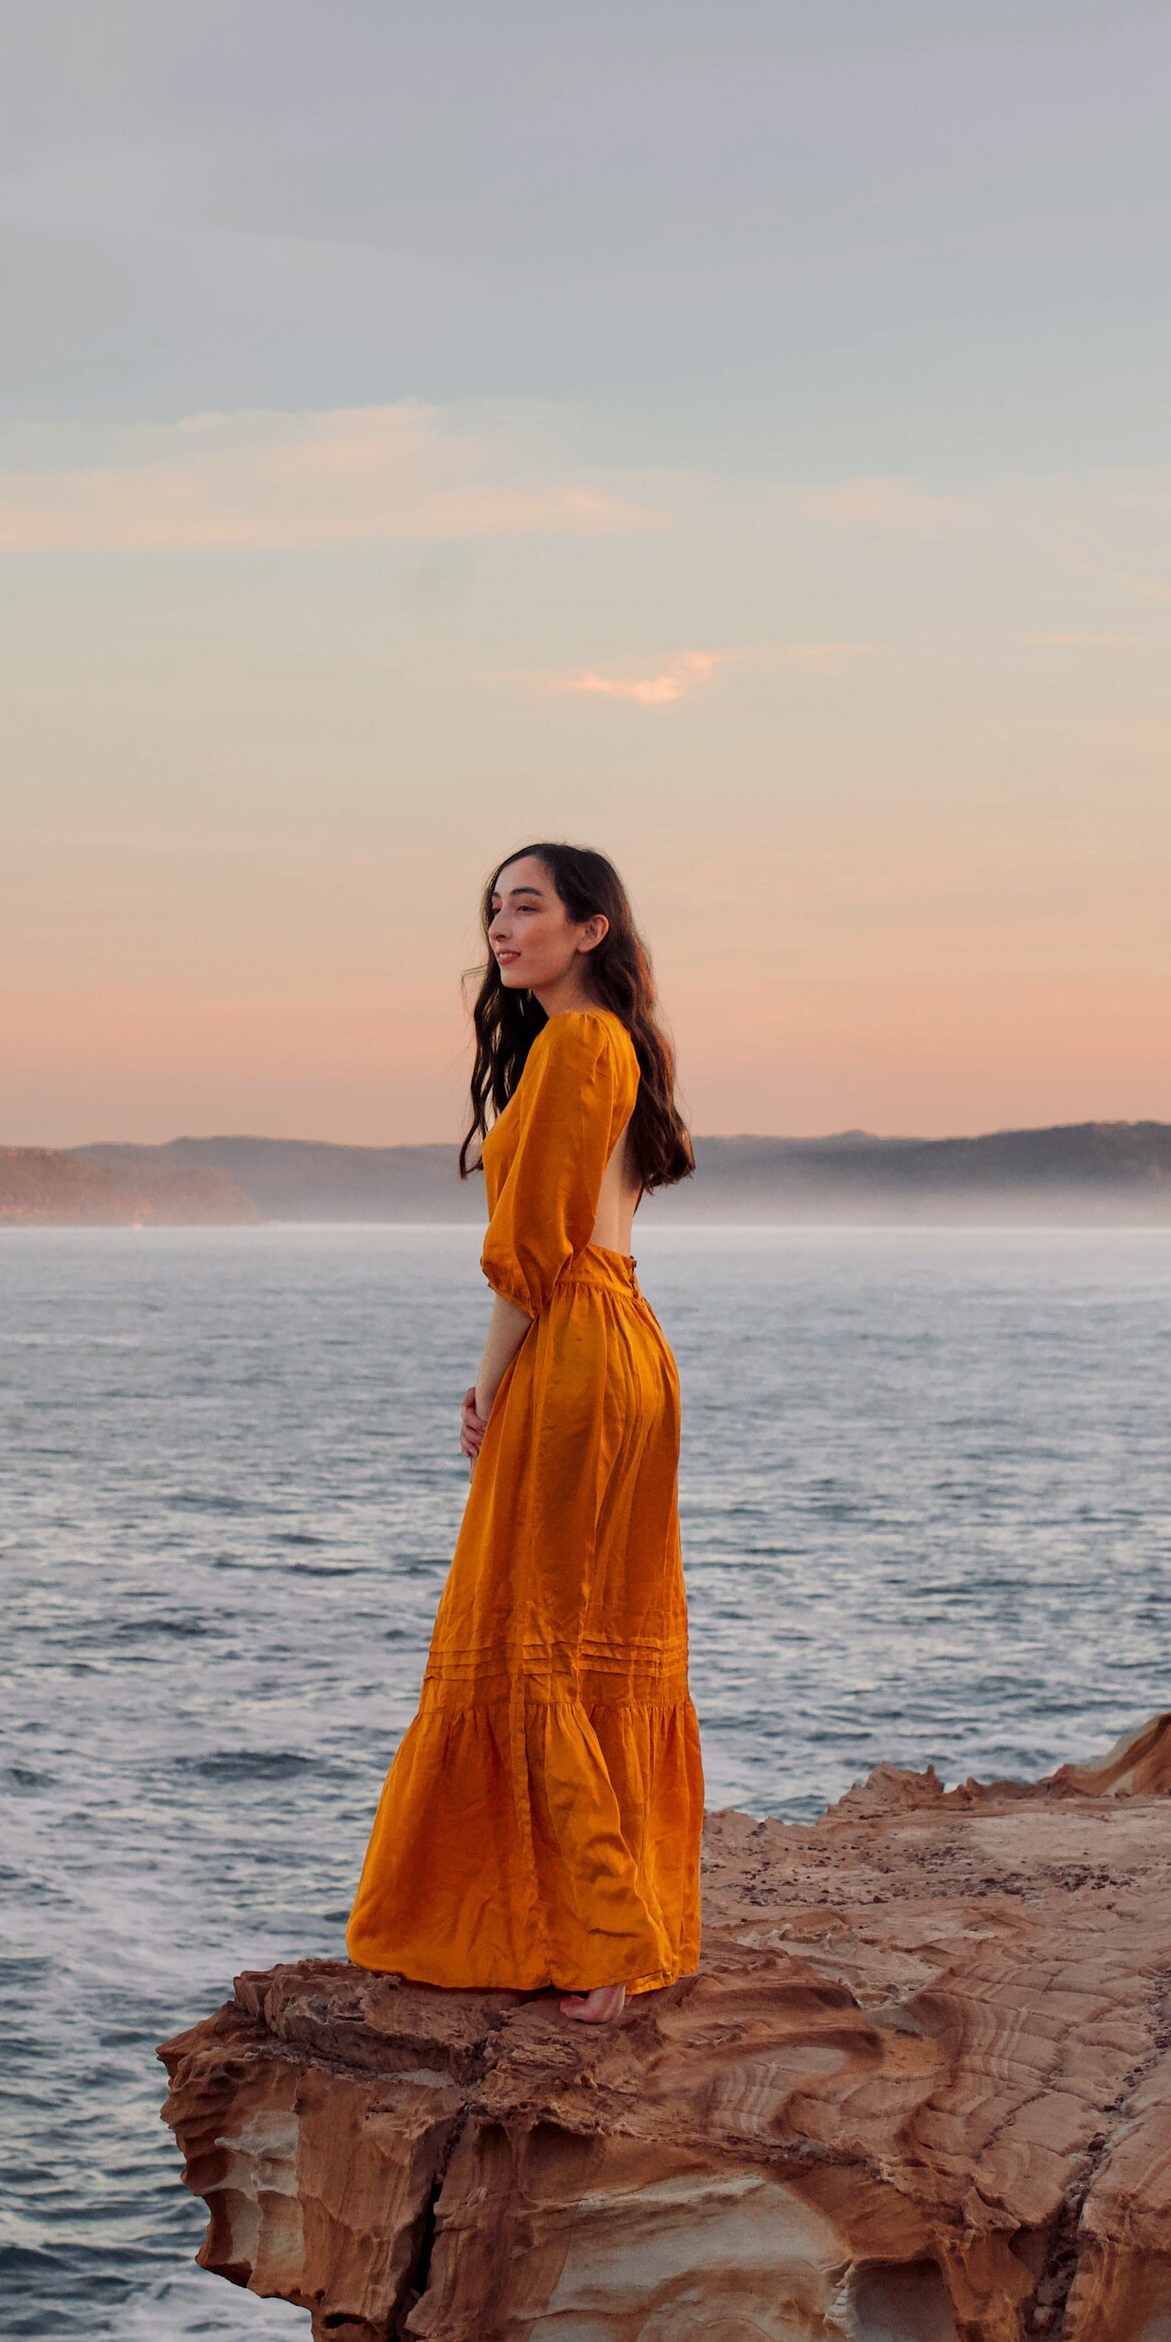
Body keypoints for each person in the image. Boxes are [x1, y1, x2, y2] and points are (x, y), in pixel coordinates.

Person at [346, 842, 701, 2025]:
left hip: (575, 1347)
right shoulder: (618, 1046)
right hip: (628, 1339)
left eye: (529, 907)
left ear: (590, 930)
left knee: (529, 1630)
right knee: (591, 1627)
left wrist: (487, 1382)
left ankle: (601, 1938)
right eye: (494, 909)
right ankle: (593, 1922)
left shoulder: (574, 1044)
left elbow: (534, 1249)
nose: (502, 929)